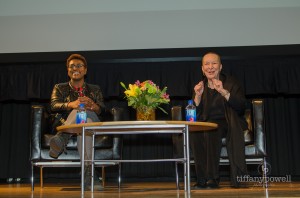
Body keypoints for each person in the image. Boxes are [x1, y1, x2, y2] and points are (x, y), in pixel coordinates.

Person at [190, 52, 248, 189]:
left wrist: (224, 92)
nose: (210, 67)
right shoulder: (200, 86)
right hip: (206, 122)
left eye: (214, 63)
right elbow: (193, 115)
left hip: (228, 121)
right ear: (202, 69)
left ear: (220, 67)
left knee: (212, 129)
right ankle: (201, 179)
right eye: (207, 64)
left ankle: (212, 179)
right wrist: (197, 97)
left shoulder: (231, 82)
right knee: (194, 133)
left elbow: (241, 107)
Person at [49, 53, 105, 190]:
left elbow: (102, 110)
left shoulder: (95, 89)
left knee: (84, 111)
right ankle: (89, 175)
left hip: (93, 120)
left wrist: (92, 105)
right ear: (68, 71)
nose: (75, 68)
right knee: (82, 122)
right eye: (72, 66)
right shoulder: (59, 87)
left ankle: (62, 138)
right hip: (66, 122)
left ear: (85, 70)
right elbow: (53, 105)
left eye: (79, 66)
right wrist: (71, 104)